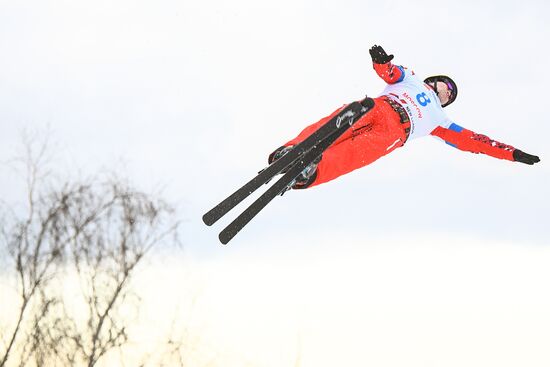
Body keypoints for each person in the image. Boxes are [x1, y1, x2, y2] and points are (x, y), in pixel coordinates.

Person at [269, 45, 540, 190]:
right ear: (434, 81)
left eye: (450, 95)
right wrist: (381, 61)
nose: (446, 91)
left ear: (447, 102)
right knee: (339, 123)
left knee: (355, 153)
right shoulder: (412, 80)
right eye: (445, 85)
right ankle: (293, 150)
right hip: (380, 107)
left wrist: (513, 154)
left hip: (396, 133)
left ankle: (310, 172)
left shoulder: (441, 121)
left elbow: (476, 142)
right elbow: (391, 73)